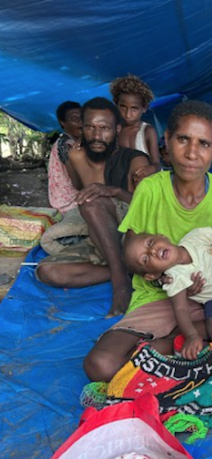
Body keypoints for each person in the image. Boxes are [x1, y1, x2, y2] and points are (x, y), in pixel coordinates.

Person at [83, 100, 212, 383]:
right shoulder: (150, 189)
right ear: (167, 141)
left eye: (204, 144)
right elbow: (133, 254)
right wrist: (166, 280)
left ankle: (192, 332)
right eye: (183, 139)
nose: (192, 153)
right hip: (161, 296)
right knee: (101, 365)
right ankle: (186, 335)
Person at [37, 97, 150, 317]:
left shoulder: (136, 160)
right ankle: (123, 271)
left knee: (91, 201)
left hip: (132, 235)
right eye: (89, 127)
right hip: (100, 238)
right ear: (81, 128)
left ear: (117, 129)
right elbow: (81, 187)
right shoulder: (75, 157)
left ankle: (120, 285)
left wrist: (115, 192)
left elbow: (148, 208)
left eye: (104, 128)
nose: (97, 136)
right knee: (46, 272)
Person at [123, 206, 212, 359]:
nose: (152, 251)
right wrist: (192, 336)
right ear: (152, 275)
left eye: (150, 243)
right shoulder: (175, 277)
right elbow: (181, 310)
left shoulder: (194, 237)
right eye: (145, 259)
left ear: (162, 237)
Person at [109, 75, 160, 183]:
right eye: (123, 107)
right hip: (123, 185)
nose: (128, 114)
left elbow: (157, 164)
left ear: (144, 108)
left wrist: (150, 169)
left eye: (134, 108)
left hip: (148, 185)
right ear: (116, 104)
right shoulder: (114, 131)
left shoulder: (147, 131)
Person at [47, 101, 83, 213]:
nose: (80, 122)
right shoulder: (66, 145)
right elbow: (78, 184)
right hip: (69, 203)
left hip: (64, 200)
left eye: (82, 117)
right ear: (63, 123)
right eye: (74, 118)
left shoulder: (74, 142)